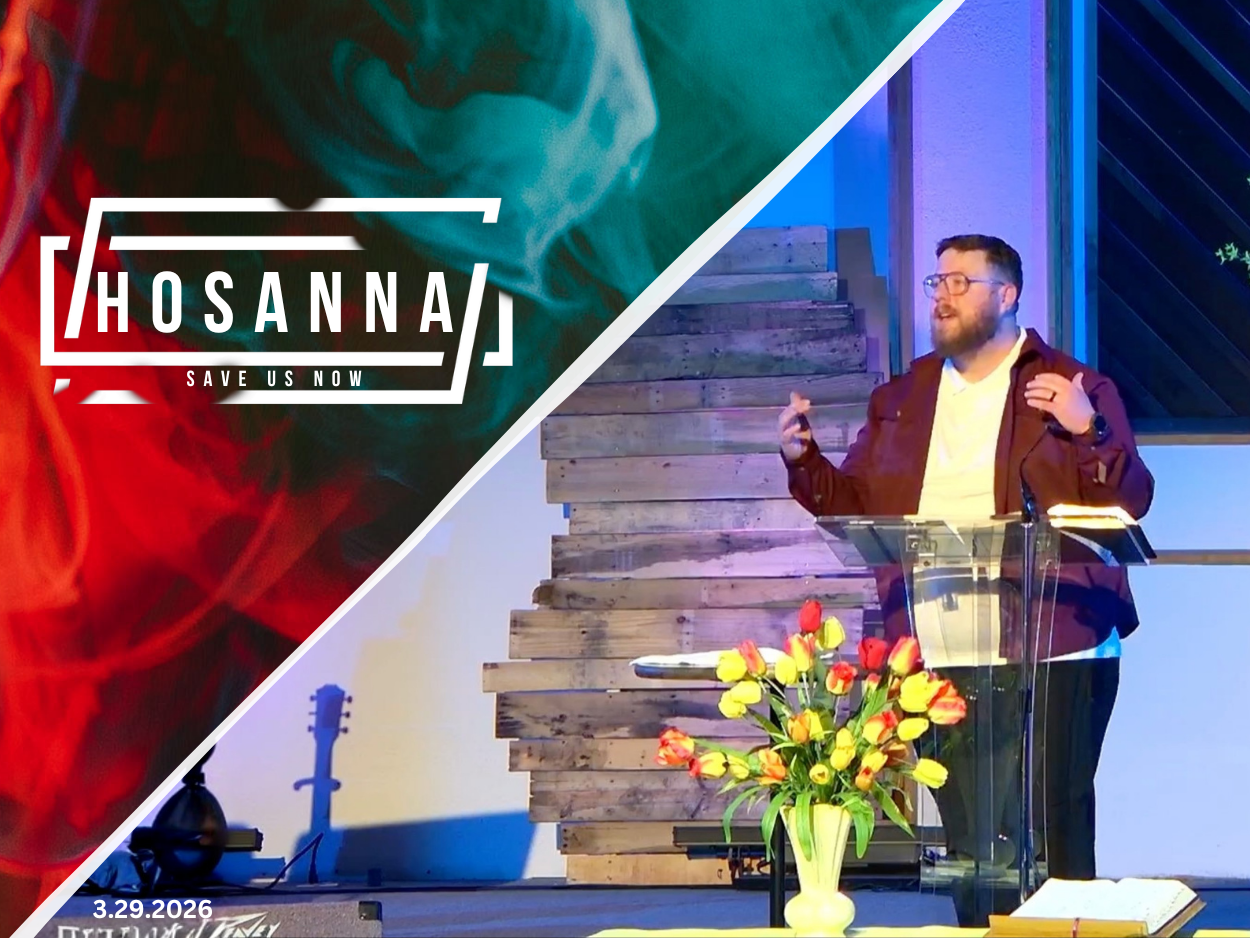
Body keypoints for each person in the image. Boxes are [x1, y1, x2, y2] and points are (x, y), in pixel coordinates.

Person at [778, 234, 1154, 925]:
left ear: (1006, 295)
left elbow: (1128, 499)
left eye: (960, 282)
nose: (942, 297)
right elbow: (856, 503)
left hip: (1055, 644)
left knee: (1052, 823)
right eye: (936, 283)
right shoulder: (903, 397)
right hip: (938, 644)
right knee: (972, 840)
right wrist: (805, 461)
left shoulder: (1070, 386)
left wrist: (1088, 428)